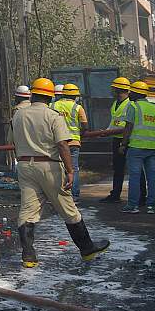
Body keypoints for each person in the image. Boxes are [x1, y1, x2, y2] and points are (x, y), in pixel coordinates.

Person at [13, 78, 109, 269]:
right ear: (50, 97)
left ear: (33, 94)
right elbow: (63, 144)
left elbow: (13, 140)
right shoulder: (53, 116)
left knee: (28, 210)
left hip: (24, 165)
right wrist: (71, 170)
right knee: (67, 207)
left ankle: (29, 256)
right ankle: (87, 248)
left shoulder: (18, 115)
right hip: (49, 166)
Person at [120, 81, 155, 214]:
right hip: (153, 147)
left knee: (135, 177)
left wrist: (123, 144)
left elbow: (128, 127)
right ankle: (151, 206)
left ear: (137, 93)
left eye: (132, 92)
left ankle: (133, 205)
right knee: (152, 177)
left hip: (136, 147)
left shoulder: (134, 107)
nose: (129, 94)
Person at [101, 77, 142, 204]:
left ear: (120, 90)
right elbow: (114, 121)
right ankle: (115, 194)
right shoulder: (116, 103)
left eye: (116, 90)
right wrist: (107, 131)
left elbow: (129, 124)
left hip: (128, 140)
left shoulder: (130, 103)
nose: (114, 92)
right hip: (116, 139)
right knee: (118, 168)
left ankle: (141, 196)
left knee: (135, 169)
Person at [52, 83, 88, 200]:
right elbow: (85, 126)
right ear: (76, 96)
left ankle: (59, 194)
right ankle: (74, 195)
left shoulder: (53, 105)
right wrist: (79, 135)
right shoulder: (77, 107)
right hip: (73, 143)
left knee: (58, 168)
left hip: (57, 142)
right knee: (73, 169)